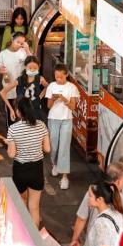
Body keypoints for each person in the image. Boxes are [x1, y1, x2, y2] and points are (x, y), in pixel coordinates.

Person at [0, 97, 50, 227]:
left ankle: (21, 232)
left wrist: (9, 143)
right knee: (34, 208)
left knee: (20, 206)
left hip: (20, 170)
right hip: (37, 169)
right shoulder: (41, 125)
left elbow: (12, 154)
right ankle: (34, 236)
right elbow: (47, 149)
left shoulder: (13, 129)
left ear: (18, 112)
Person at [46, 63, 79, 191]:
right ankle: (54, 164)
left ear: (66, 75)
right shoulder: (51, 86)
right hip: (53, 119)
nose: (58, 79)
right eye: (56, 77)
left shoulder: (72, 88)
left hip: (66, 119)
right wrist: (54, 99)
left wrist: (64, 99)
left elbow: (73, 107)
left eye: (61, 77)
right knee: (53, 145)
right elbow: (49, 106)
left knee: (64, 146)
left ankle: (64, 176)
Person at [0, 31, 30, 127]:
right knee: (11, 117)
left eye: (22, 43)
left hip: (22, 89)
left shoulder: (24, 52)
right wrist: (0, 70)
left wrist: (27, 50)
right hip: (8, 89)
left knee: (24, 117)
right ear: (12, 40)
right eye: (17, 42)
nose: (19, 45)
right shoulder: (3, 54)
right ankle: (11, 134)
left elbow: (33, 64)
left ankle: (24, 134)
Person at [0, 55, 48, 123]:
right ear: (25, 67)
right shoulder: (19, 80)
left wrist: (40, 97)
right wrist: (11, 109)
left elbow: (47, 87)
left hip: (36, 111)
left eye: (35, 68)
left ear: (38, 67)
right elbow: (2, 92)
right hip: (23, 112)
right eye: (30, 68)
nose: (32, 70)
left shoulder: (40, 79)